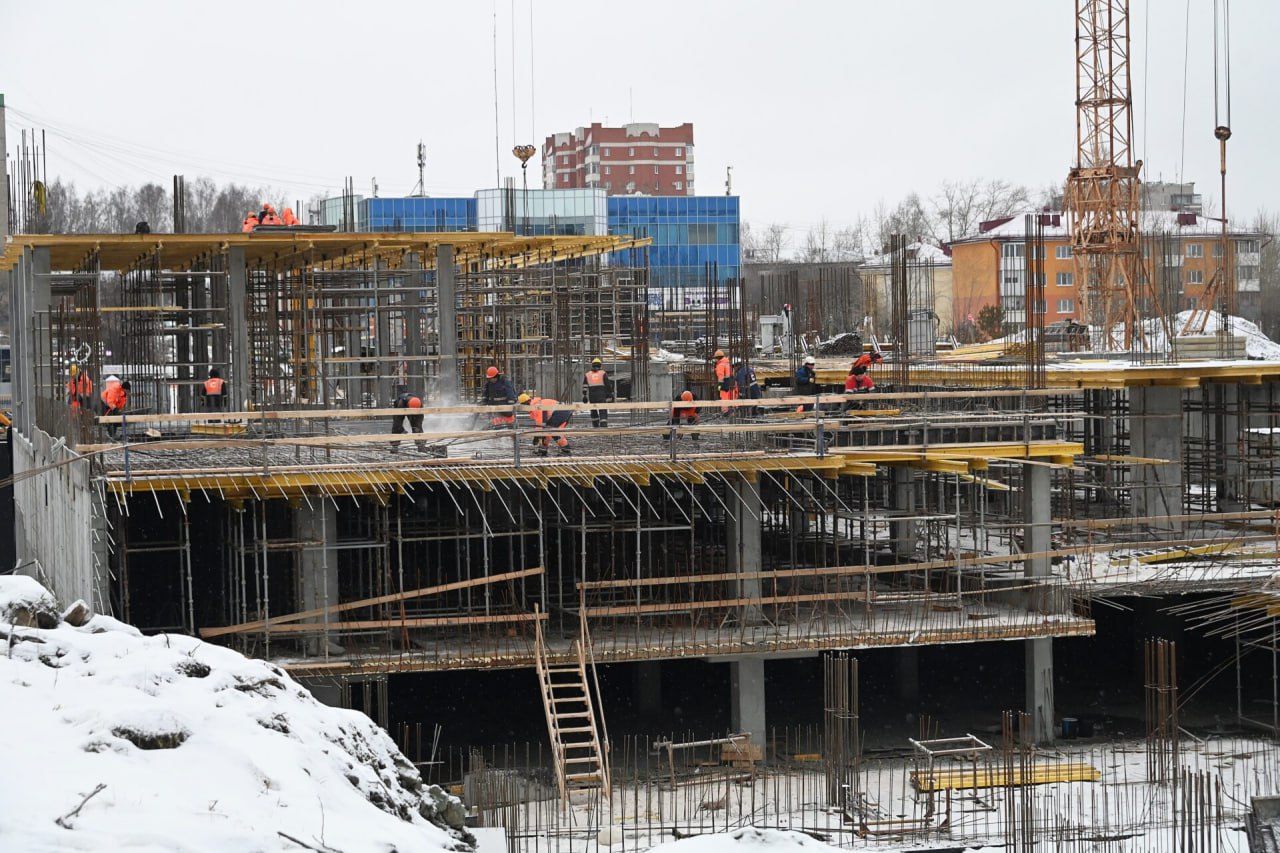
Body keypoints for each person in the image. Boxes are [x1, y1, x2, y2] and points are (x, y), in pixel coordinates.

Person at [519, 392, 572, 456]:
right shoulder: (535, 405)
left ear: (525, 404)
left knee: (553, 431)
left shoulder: (536, 407)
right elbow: (541, 427)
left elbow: (540, 425)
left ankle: (566, 450)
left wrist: (536, 436)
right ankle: (543, 450)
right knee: (548, 430)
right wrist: (537, 435)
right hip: (562, 412)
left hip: (561, 412)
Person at [582, 357, 611, 427]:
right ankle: (603, 424)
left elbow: (585, 386)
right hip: (601, 395)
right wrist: (609, 394)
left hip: (592, 395)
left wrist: (585, 395)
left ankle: (595, 425)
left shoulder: (588, 374)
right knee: (602, 409)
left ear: (592, 365)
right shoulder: (603, 373)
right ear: (600, 365)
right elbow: (608, 385)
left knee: (593, 410)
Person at [714, 349, 736, 415]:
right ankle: (732, 410)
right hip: (730, 381)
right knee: (731, 396)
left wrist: (719, 386)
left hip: (723, 383)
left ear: (718, 358)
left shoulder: (720, 365)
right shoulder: (727, 363)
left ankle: (725, 411)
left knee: (723, 396)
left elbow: (720, 376)